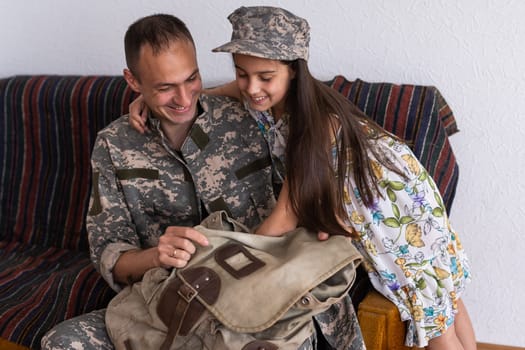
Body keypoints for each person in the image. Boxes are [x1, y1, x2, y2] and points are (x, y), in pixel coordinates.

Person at [129, 5, 476, 350]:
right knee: (448, 302)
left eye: (265, 77)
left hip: (393, 209)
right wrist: (164, 98)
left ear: (293, 71)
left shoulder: (315, 125)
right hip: (387, 193)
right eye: (241, 73)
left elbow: (282, 219)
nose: (251, 88)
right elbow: (223, 93)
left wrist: (232, 270)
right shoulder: (267, 96)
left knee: (435, 317)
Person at [41, 12, 364, 350]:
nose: (183, 100)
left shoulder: (252, 114)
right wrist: (156, 256)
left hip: (263, 298)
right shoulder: (114, 145)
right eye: (165, 88)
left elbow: (313, 152)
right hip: (167, 305)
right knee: (61, 343)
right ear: (133, 82)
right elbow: (110, 254)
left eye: (191, 79)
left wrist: (329, 211)